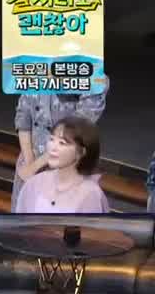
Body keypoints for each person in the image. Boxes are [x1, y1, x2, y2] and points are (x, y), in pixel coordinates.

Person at [11, 77, 107, 207]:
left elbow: (76, 130)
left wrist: (34, 167)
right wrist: (29, 163)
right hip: (29, 163)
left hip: (68, 168)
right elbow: (23, 115)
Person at [14, 116, 109, 213]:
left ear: (81, 152)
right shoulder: (36, 182)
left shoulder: (91, 195)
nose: (53, 147)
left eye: (62, 143)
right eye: (51, 139)